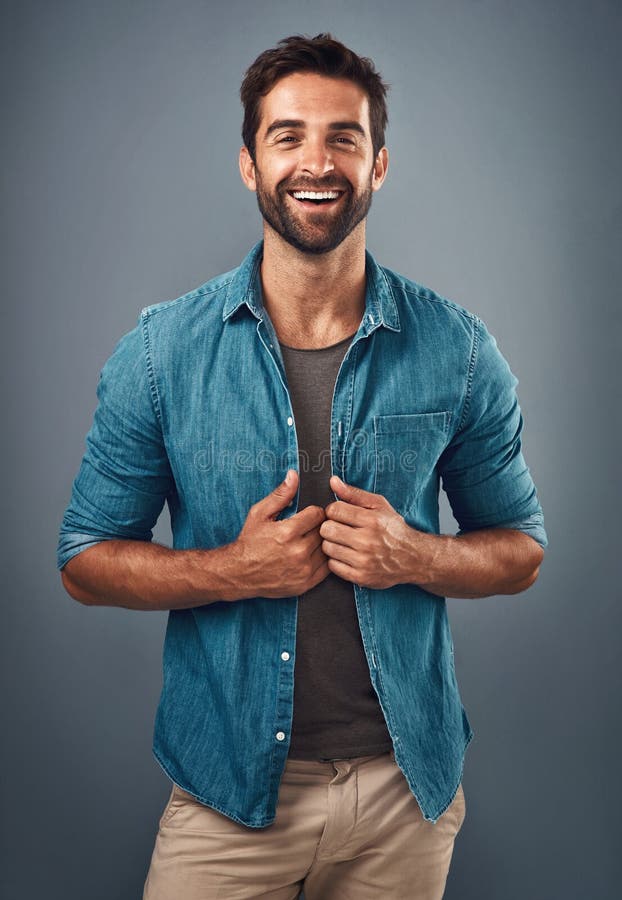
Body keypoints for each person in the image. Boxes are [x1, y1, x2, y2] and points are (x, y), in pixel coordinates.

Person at [58, 33, 547, 900]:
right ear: (250, 163)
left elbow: (521, 549)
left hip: (406, 798)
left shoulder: (460, 351)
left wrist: (418, 557)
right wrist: (229, 572)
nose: (315, 162)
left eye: (343, 138)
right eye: (287, 136)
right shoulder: (161, 353)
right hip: (226, 802)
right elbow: (85, 560)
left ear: (380, 164)